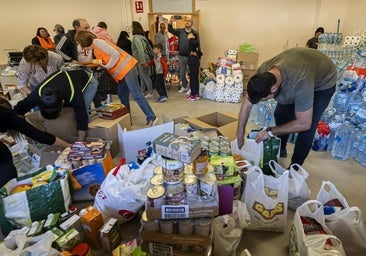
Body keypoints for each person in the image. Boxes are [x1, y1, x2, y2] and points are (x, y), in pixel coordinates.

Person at [236, 47, 337, 166]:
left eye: (266, 99)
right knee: (280, 114)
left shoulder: (300, 83)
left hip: (323, 84)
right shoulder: (264, 72)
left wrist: (269, 131)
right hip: (301, 67)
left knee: (307, 129)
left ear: (273, 89)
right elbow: (247, 104)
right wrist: (240, 133)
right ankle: (281, 148)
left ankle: (294, 167)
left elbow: (304, 123)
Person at [75, 31, 158, 127]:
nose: (81, 47)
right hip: (122, 73)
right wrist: (92, 64)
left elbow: (115, 55)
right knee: (123, 96)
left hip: (128, 69)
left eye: (80, 44)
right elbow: (104, 59)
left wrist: (107, 66)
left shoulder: (98, 43)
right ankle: (126, 120)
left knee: (137, 95)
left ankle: (151, 117)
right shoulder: (96, 47)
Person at [0, 97, 71, 187]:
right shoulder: (6, 115)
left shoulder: (5, 115)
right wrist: (69, 146)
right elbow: (39, 135)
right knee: (5, 168)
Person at [14, 68, 97, 142]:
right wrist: (25, 131)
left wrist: (80, 142)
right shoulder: (36, 95)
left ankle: (86, 136)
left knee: (82, 113)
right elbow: (18, 110)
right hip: (66, 81)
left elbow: (81, 117)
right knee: (69, 115)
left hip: (87, 81)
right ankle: (68, 134)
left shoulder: (74, 96)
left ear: (63, 102)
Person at [55, 18, 100, 108]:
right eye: (86, 28)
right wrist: (71, 60)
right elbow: (58, 50)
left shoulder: (91, 35)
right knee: (85, 90)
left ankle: (99, 107)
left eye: (89, 27)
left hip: (91, 66)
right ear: (77, 27)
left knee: (95, 88)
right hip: (79, 69)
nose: (88, 30)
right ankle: (86, 110)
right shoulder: (68, 37)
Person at [168, 16, 199, 95]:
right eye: (186, 20)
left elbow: (198, 44)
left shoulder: (194, 33)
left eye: (189, 21)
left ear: (192, 23)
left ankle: (191, 88)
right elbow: (170, 30)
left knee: (191, 74)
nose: (187, 22)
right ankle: (184, 86)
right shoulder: (180, 31)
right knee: (182, 73)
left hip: (191, 57)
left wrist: (198, 54)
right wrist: (170, 22)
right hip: (182, 56)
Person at [131, 21, 154, 98]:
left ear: (134, 28)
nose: (131, 28)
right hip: (143, 58)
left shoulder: (137, 38)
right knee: (142, 76)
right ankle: (142, 91)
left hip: (142, 60)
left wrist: (142, 62)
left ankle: (150, 92)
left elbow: (140, 50)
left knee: (145, 76)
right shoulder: (142, 37)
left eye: (132, 27)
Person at [186, 31, 202, 101]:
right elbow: (200, 53)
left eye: (190, 34)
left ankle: (193, 95)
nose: (188, 35)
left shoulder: (192, 41)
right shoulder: (194, 43)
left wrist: (194, 53)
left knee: (192, 78)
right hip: (195, 61)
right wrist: (196, 54)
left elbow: (199, 51)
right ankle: (196, 94)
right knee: (195, 78)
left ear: (194, 36)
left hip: (193, 62)